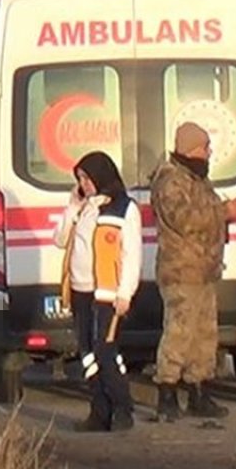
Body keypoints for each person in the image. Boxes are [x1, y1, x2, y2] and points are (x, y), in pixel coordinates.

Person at [148, 122, 236, 422]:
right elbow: (185, 219)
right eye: (205, 147)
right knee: (179, 334)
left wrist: (227, 211)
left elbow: (207, 213)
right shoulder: (170, 180)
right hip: (181, 272)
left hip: (204, 272)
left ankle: (199, 390)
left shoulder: (197, 179)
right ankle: (166, 392)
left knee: (204, 336)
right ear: (190, 148)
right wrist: (224, 213)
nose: (209, 153)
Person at [54, 151, 142, 432]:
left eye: (87, 178)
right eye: (80, 178)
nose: (84, 183)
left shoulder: (125, 209)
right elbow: (60, 240)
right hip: (80, 291)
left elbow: (132, 254)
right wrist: (72, 207)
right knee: (87, 354)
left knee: (105, 352)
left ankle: (122, 408)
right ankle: (99, 410)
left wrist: (125, 292)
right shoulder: (83, 208)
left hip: (108, 294)